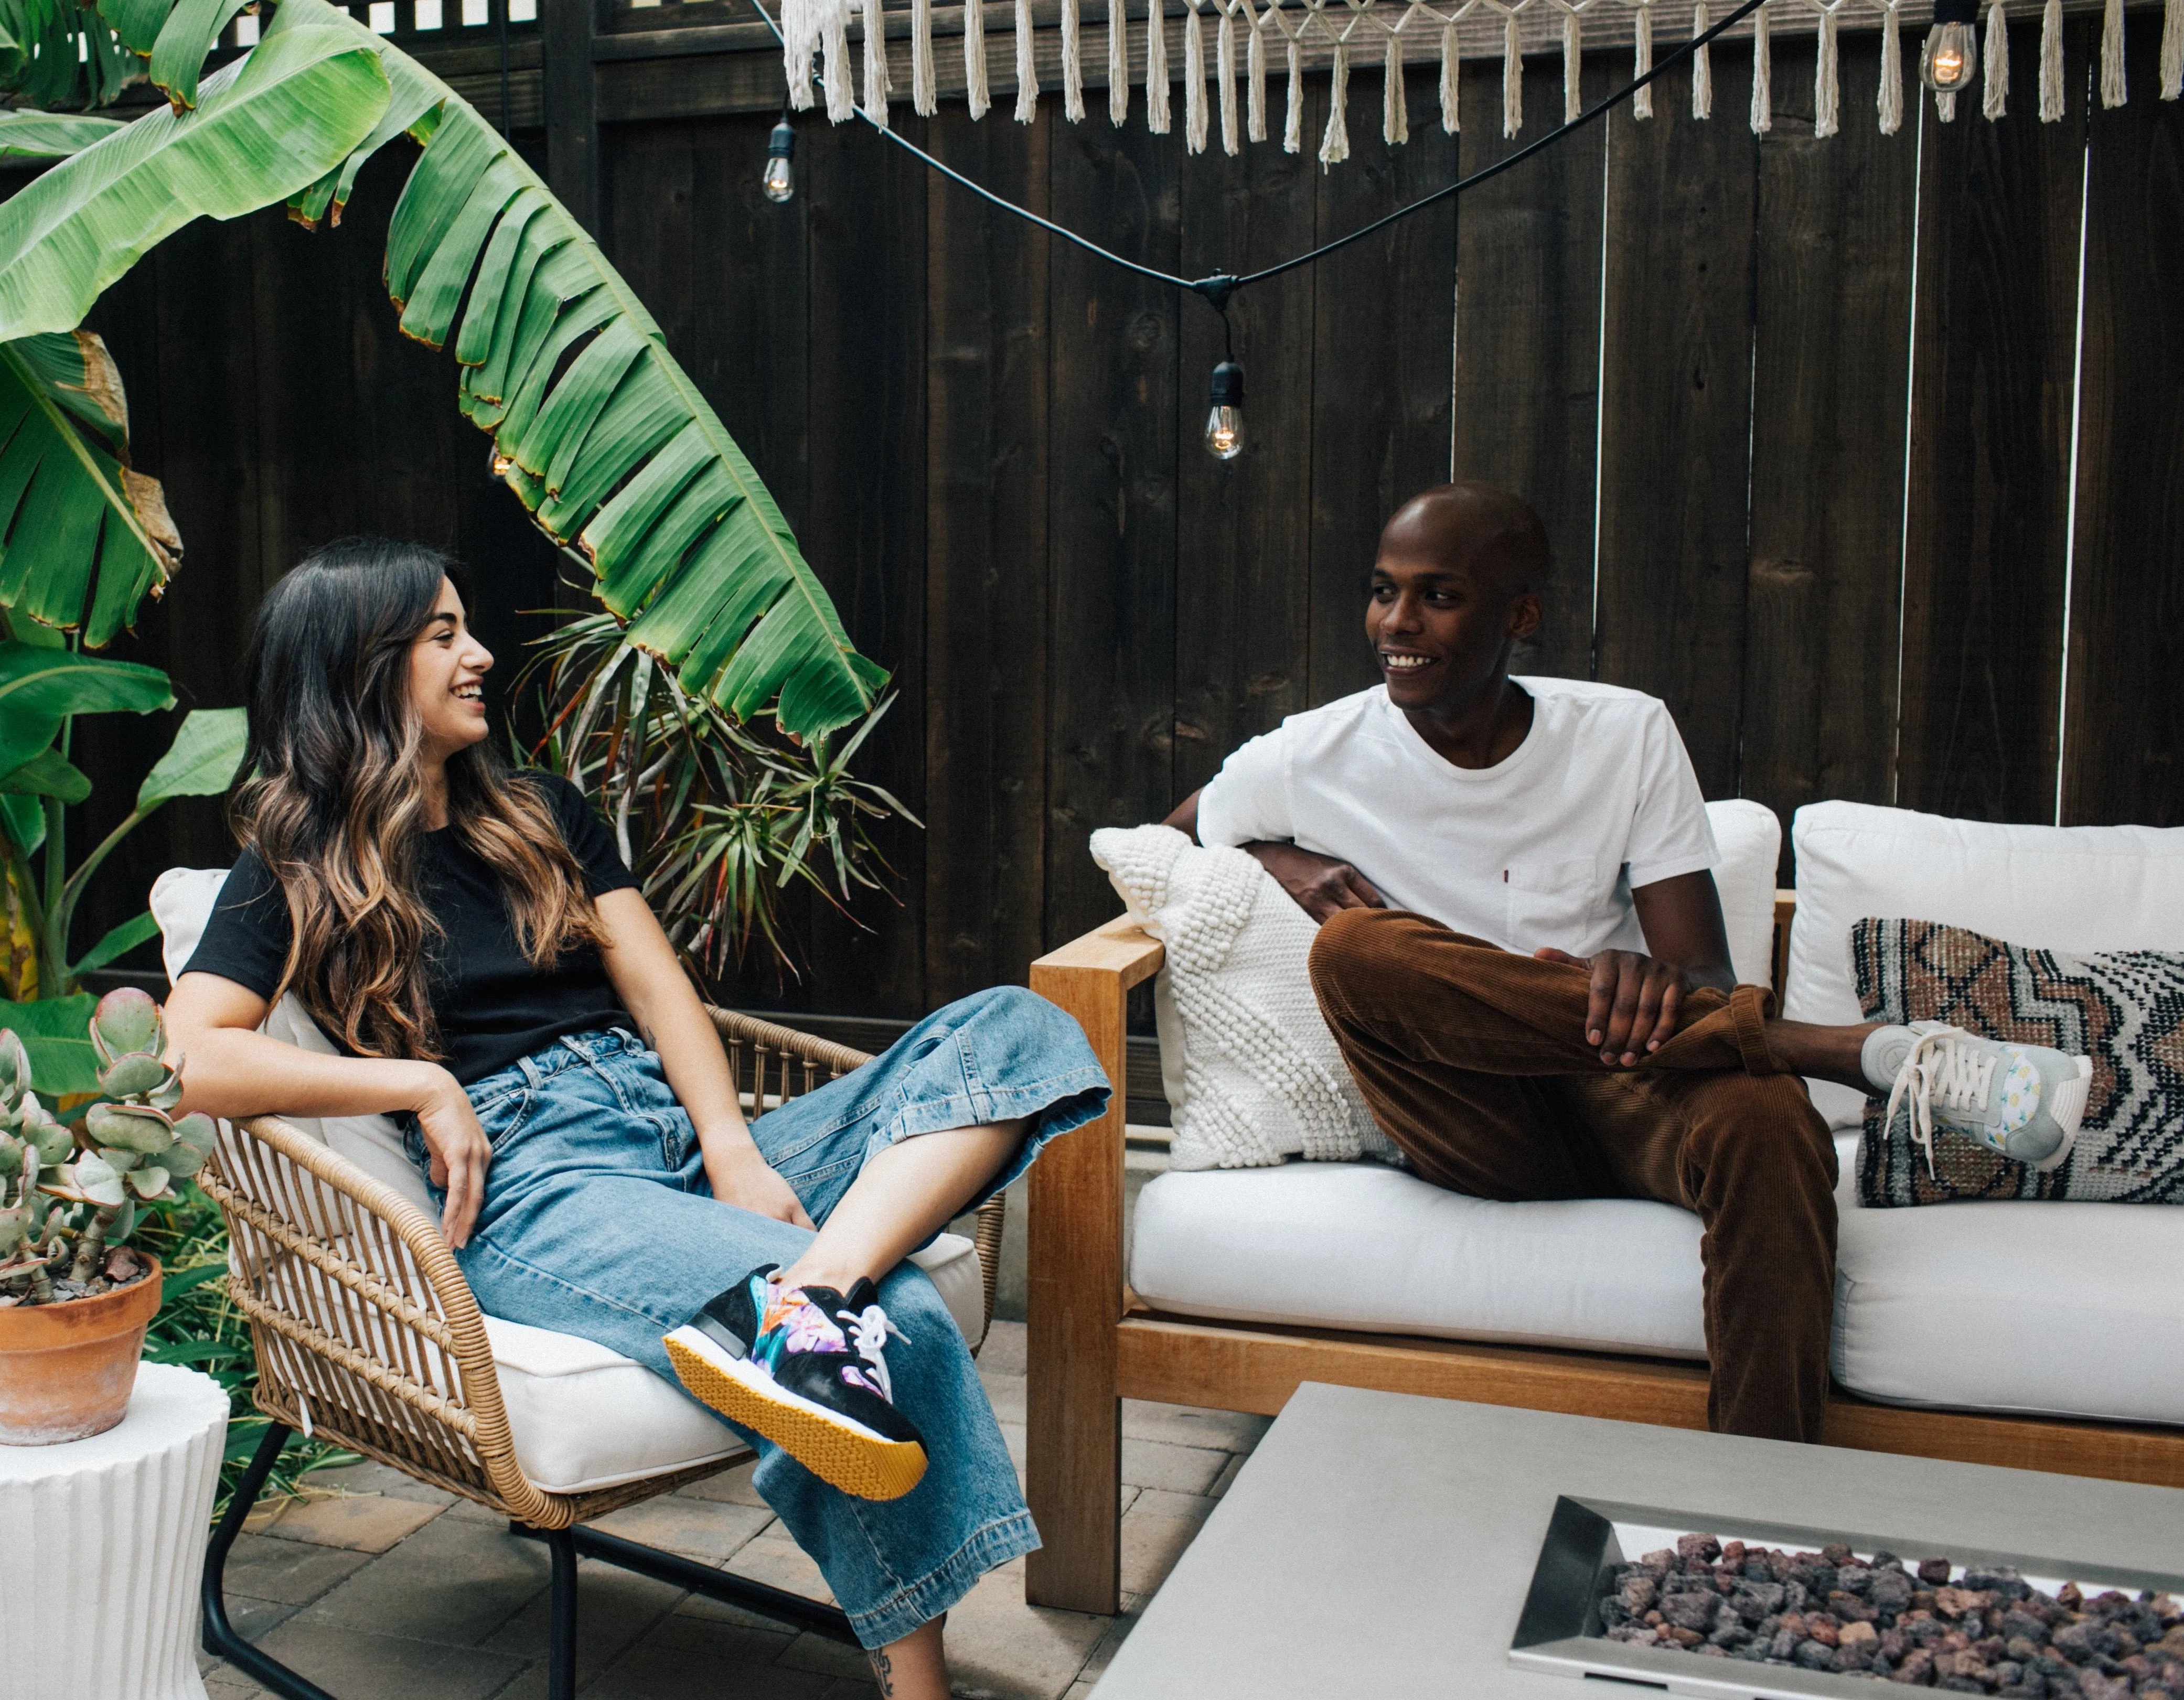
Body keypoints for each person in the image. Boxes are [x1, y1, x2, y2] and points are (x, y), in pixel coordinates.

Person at [165, 538, 1109, 1698]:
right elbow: (190, 1056)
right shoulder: (295, 864)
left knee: (1015, 1026)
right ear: (361, 668)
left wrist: (728, 1145)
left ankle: (811, 1290)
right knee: (898, 1314)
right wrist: (415, 1085)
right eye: (445, 635)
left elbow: (661, 991)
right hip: (537, 1181)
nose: (482, 655)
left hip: (671, 1126)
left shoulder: (541, 810)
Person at [1162, 481, 2090, 1443]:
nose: (1397, 622)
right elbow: (1170, 837)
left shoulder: (1624, 733)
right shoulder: (1315, 752)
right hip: (1467, 1111)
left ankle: (1760, 1509)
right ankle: (1839, 1049)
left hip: (1626, 1072)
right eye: (1383, 590)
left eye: (1439, 595)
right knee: (1360, 948)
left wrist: (1649, 978)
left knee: (1768, 1110)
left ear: (1521, 614)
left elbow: (1698, 971)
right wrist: (1285, 862)